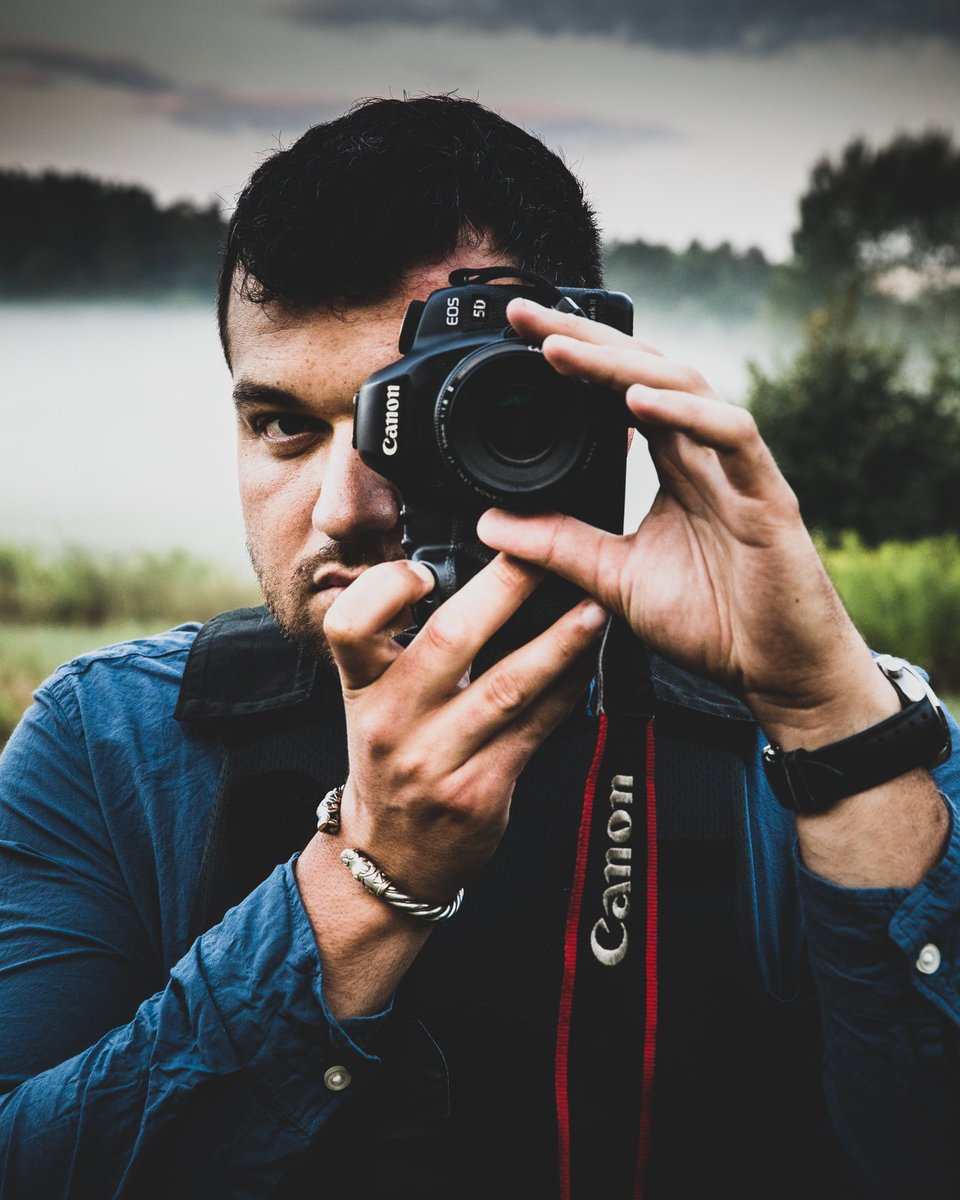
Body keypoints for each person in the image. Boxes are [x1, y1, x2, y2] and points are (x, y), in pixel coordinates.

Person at [1, 95, 958, 1200]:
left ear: (569, 401)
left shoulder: (829, 739)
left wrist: (822, 713)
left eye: (401, 419)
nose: (339, 509)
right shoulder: (113, 744)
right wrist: (366, 883)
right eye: (282, 427)